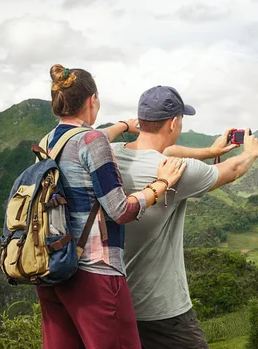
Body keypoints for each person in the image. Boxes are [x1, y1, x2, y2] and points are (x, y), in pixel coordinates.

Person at [35, 65, 187, 349]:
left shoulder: (47, 143)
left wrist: (124, 126)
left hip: (52, 268)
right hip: (94, 271)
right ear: (92, 100)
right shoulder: (93, 141)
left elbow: (87, 138)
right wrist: (160, 185)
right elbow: (120, 210)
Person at [112, 85, 258, 349]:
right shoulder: (177, 172)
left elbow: (163, 150)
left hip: (116, 304)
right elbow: (233, 170)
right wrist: (249, 152)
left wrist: (210, 150)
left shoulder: (109, 154)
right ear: (173, 123)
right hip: (163, 310)